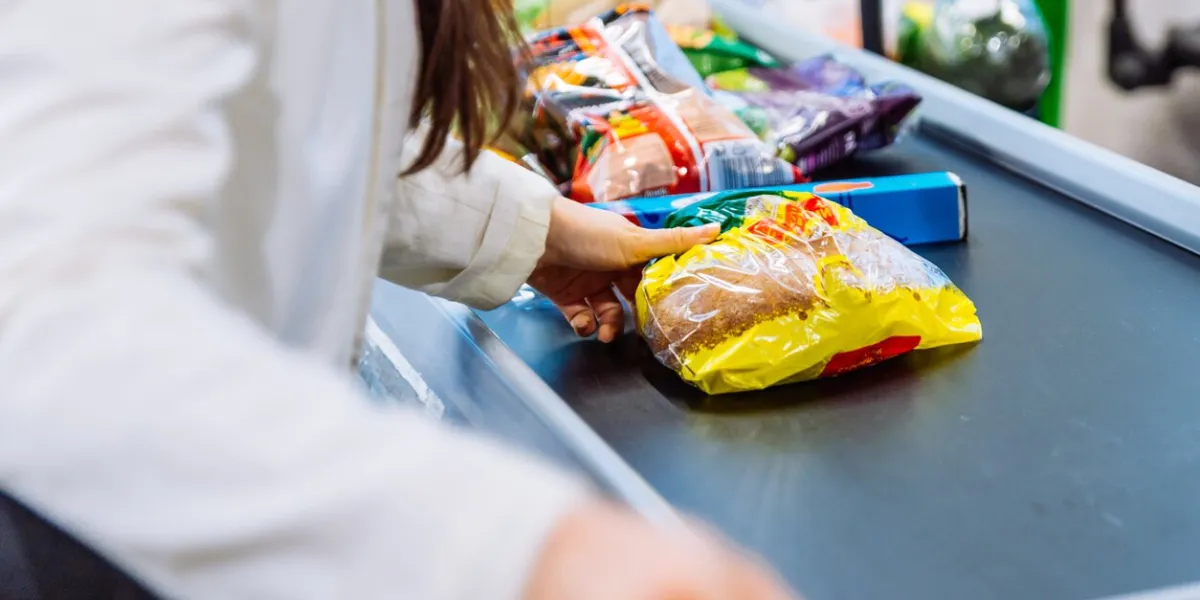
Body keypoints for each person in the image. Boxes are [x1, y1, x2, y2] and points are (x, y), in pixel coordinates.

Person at [0, 0, 801, 599]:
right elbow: (44, 318)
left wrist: (528, 230)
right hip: (102, 533)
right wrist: (524, 551)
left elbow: (283, 129)